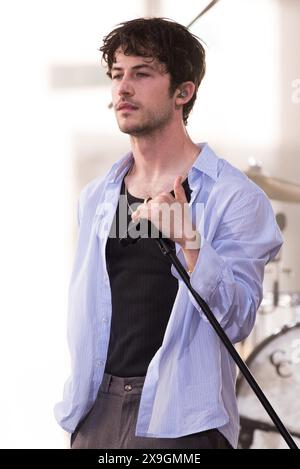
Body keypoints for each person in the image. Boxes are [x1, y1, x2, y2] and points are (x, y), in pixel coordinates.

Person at [54, 17, 283, 449]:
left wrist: (191, 244)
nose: (123, 88)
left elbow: (237, 320)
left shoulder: (235, 198)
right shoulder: (97, 197)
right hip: (97, 411)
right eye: (118, 74)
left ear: (184, 92)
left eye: (142, 74)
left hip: (182, 417)